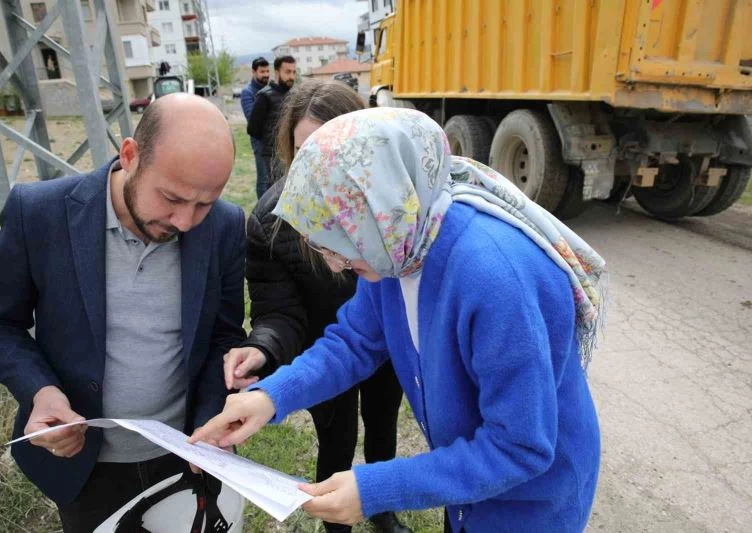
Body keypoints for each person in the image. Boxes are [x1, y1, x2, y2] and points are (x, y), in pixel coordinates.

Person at [191, 107, 604, 532]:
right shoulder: (399, 246)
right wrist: (272, 396)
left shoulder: (494, 279)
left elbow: (520, 448)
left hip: (531, 504)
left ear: (381, 208)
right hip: (472, 484)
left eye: (339, 244)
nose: (335, 266)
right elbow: (354, 341)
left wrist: (376, 488)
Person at [0, 94, 247, 533]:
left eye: (205, 203)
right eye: (172, 198)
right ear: (131, 155)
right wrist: (41, 392)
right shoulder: (40, 213)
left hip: (185, 453)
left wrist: (209, 425)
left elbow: (224, 334)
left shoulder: (226, 226)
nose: (186, 221)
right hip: (85, 464)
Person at [224, 79, 410, 533]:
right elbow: (277, 309)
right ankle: (336, 524)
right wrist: (263, 348)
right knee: (336, 440)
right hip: (324, 352)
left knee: (382, 426)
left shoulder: (396, 211)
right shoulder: (271, 220)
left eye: (334, 145)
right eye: (307, 150)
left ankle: (381, 511)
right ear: (289, 148)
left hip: (384, 348)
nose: (322, 165)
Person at [247, 55, 297, 198]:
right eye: (287, 72)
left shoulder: (295, 95)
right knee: (275, 195)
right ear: (277, 72)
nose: (291, 76)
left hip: (291, 153)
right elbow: (253, 129)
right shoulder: (264, 96)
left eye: (294, 72)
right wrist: (272, 141)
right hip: (272, 157)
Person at [241, 57, 271, 202]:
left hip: (275, 140)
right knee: (264, 179)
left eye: (267, 71)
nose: (266, 74)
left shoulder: (271, 89)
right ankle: (262, 210)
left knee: (275, 178)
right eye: (262, 71)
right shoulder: (248, 92)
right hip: (260, 142)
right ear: (254, 72)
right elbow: (253, 119)